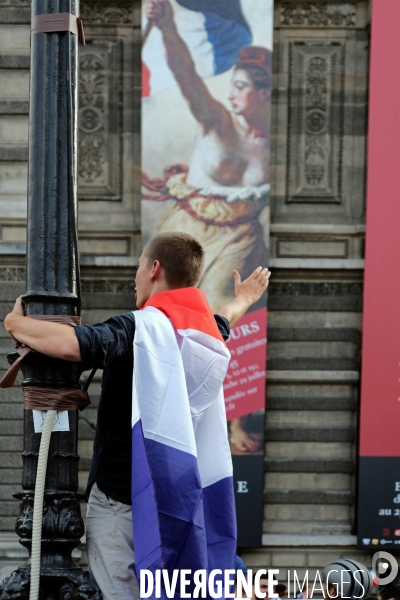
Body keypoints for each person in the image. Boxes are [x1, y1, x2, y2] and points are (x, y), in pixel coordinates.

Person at [4, 232, 270, 600]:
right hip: (174, 505)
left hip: (120, 505)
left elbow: (71, 344)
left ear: (155, 269)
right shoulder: (206, 335)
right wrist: (244, 298)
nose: (135, 275)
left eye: (139, 265)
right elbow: (225, 319)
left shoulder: (140, 328)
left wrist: (14, 324)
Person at [143, 0, 271, 309]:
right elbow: (186, 74)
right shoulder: (218, 122)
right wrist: (168, 27)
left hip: (242, 241)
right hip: (187, 232)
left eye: (240, 86)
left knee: (216, 320)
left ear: (264, 92)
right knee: (164, 315)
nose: (230, 94)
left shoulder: (274, 145)